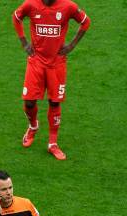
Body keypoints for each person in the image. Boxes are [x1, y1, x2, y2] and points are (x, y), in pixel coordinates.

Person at [13, 0, 90, 160]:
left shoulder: (68, 6)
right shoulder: (31, 4)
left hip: (57, 64)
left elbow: (85, 22)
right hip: (36, 61)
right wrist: (24, 42)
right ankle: (33, 126)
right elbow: (16, 17)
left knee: (54, 102)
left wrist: (72, 45)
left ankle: (52, 144)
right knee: (29, 102)